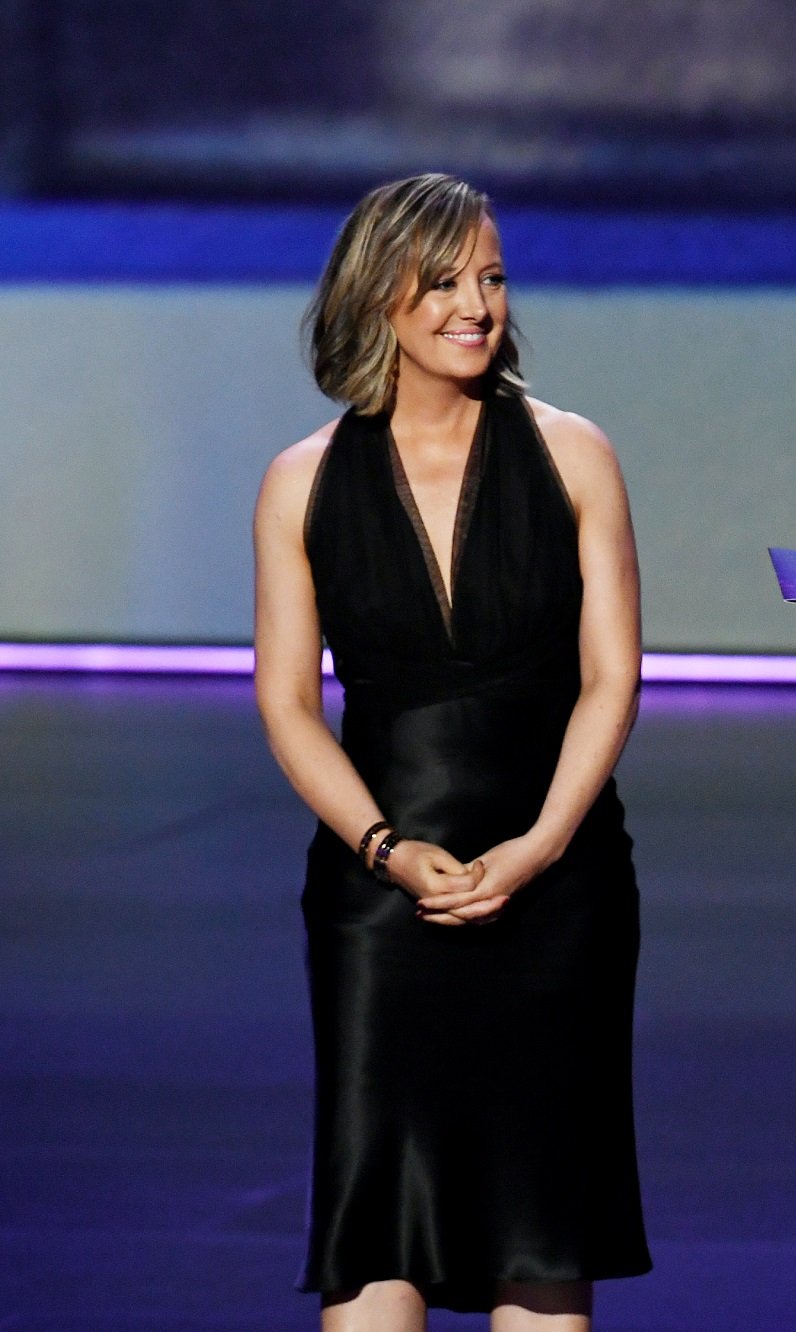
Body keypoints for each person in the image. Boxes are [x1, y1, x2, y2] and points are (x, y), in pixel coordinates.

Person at [253, 173, 650, 1330]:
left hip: (558, 878)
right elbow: (286, 702)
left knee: (543, 1216)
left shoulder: (574, 455)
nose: (475, 304)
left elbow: (610, 679)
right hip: (381, 896)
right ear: (381, 297)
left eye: (490, 277)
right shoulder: (302, 482)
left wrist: (536, 850)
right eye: (443, 282)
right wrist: (383, 847)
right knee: (378, 1220)